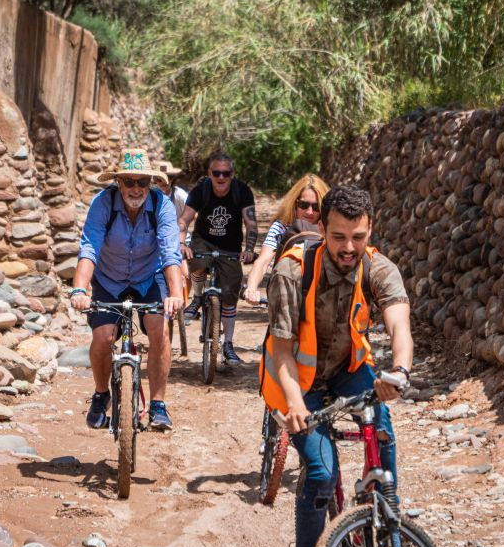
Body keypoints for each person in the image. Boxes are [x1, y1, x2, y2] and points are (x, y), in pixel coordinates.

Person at [259, 185, 412, 547]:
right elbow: (280, 350)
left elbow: (399, 323)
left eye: (358, 237)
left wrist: (399, 371)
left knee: (383, 434)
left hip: (347, 369)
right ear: (322, 229)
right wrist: (294, 402)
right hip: (294, 379)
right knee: (322, 473)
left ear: (370, 230)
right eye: (339, 237)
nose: (348, 247)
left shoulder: (378, 267)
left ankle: (379, 511)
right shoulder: (291, 271)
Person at [72, 148, 184, 431]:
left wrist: (176, 294)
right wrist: (79, 291)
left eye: (142, 182)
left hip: (149, 276)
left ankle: (158, 405)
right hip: (109, 278)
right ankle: (101, 395)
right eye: (130, 182)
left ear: (150, 183)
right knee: (103, 336)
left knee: (160, 329)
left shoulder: (162, 206)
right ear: (119, 183)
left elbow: (171, 252)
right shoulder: (103, 204)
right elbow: (89, 248)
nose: (136, 188)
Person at [178, 152, 257, 366]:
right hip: (203, 240)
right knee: (197, 261)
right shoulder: (201, 190)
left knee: (230, 295)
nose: (221, 177)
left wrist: (249, 249)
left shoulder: (242, 191)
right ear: (209, 173)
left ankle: (228, 345)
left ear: (232, 174)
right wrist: (182, 243)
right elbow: (184, 219)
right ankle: (196, 297)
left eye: (226, 173)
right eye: (216, 173)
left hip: (230, 245)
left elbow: (251, 223)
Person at [243, 173, 329, 306]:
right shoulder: (281, 227)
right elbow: (263, 261)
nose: (309, 212)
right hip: (284, 297)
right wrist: (251, 288)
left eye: (316, 207)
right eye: (304, 205)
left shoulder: (330, 230)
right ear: (295, 203)